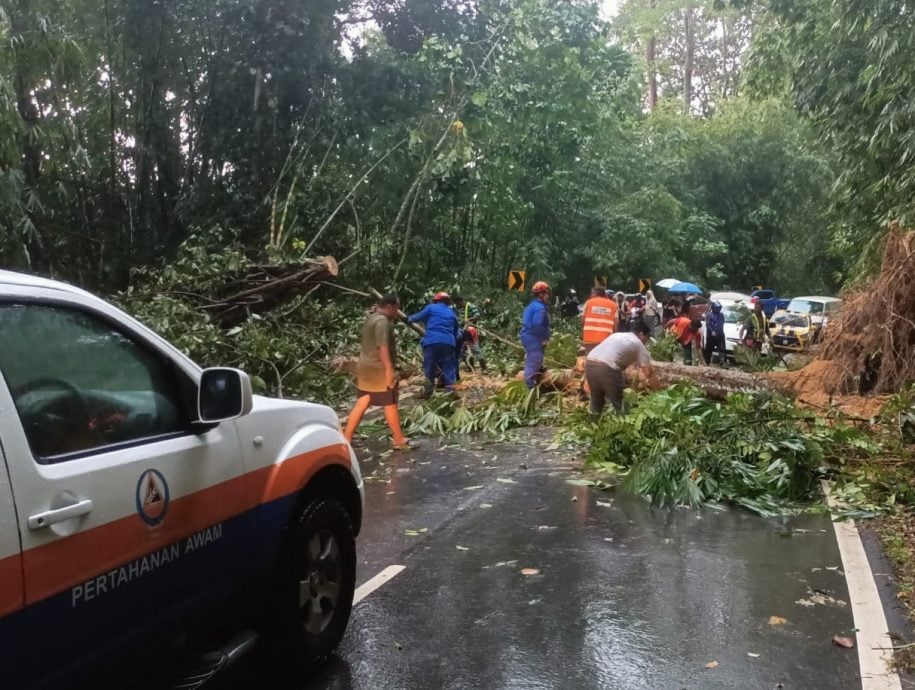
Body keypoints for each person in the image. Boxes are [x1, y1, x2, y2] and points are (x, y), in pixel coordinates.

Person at [344, 293, 410, 449]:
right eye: (396, 309)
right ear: (389, 306)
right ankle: (399, 439)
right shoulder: (382, 322)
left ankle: (346, 436)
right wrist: (389, 368)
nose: (397, 312)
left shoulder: (372, 318)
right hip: (378, 368)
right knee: (390, 401)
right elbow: (382, 346)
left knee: (364, 400)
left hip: (365, 366)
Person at [584, 321, 657, 416]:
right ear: (641, 334)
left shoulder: (617, 335)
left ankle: (591, 426)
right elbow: (648, 373)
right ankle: (626, 427)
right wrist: (658, 394)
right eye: (646, 338)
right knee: (620, 402)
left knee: (597, 400)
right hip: (607, 367)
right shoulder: (638, 344)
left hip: (590, 363)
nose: (646, 341)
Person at [408, 291, 460, 397]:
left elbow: (416, 317)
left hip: (432, 341)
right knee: (449, 367)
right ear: (447, 302)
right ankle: (451, 392)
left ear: (436, 300)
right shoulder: (452, 313)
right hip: (449, 342)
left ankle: (428, 392)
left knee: (429, 366)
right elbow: (456, 330)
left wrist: (407, 319)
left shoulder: (431, 308)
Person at [520, 281, 551, 389]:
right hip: (533, 337)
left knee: (537, 357)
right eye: (547, 294)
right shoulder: (539, 308)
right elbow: (537, 324)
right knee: (535, 358)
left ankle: (537, 371)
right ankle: (529, 384)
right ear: (541, 295)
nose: (548, 297)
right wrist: (543, 338)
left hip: (530, 336)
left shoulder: (534, 305)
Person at [704, 301, 727, 365]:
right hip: (710, 336)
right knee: (708, 349)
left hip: (719, 335)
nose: (718, 309)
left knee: (722, 349)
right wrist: (712, 331)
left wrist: (716, 331)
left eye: (719, 308)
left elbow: (720, 324)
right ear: (713, 308)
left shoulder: (721, 315)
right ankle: (706, 362)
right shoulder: (709, 315)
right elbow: (708, 324)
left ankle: (723, 362)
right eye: (716, 308)